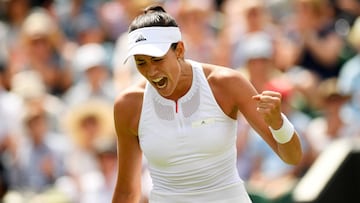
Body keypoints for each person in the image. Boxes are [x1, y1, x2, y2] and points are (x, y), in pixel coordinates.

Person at [112, 5, 302, 203]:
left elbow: (292, 157)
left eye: (157, 59)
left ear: (179, 50)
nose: (151, 71)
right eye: (141, 62)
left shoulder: (227, 83)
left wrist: (278, 123)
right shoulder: (128, 104)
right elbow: (127, 192)